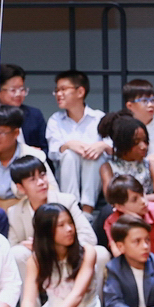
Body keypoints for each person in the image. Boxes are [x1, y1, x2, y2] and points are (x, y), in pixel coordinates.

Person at [6, 154, 96, 250]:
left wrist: (49, 247)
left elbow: (89, 237)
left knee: (101, 253)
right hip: (37, 261)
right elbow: (12, 249)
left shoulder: (66, 201)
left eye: (42, 175)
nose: (41, 182)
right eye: (32, 180)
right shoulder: (14, 212)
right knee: (18, 252)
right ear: (21, 188)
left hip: (69, 256)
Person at [44, 70, 106, 210]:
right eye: (57, 90)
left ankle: (87, 210)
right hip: (65, 176)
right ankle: (70, 208)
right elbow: (52, 152)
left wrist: (101, 146)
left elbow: (113, 148)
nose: (59, 94)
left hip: (96, 177)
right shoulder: (55, 120)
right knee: (69, 155)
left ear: (80, 92)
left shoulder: (99, 118)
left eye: (63, 89)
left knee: (94, 155)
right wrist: (68, 145)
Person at [102, 174, 154, 260]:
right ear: (120, 207)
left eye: (142, 194)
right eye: (134, 199)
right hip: (130, 267)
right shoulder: (112, 222)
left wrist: (148, 266)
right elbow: (118, 254)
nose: (143, 201)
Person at [0, 64, 48, 151]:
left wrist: (36, 154)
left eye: (22, 89)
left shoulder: (34, 115)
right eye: (13, 90)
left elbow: (46, 148)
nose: (18, 94)